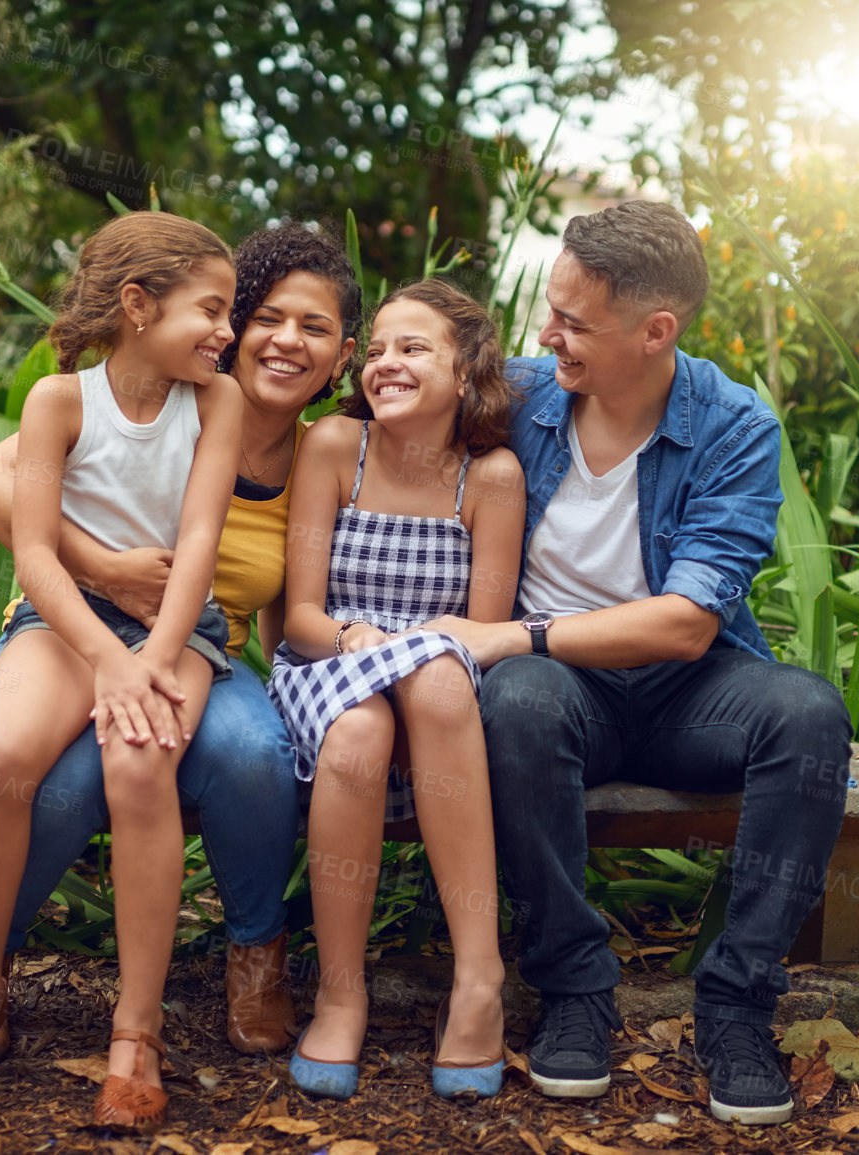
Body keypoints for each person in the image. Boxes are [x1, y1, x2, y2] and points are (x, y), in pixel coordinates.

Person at [422, 201, 852, 1125]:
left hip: (684, 694)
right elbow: (373, 407)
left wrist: (517, 633)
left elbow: (689, 622)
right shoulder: (524, 396)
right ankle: (575, 989)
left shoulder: (734, 425)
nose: (548, 334)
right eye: (551, 310)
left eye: (574, 322)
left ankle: (734, 1004)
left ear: (657, 332)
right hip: (557, 698)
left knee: (807, 711)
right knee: (521, 699)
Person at [0, 211, 245, 1132]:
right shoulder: (58, 402)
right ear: (136, 304)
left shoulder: (218, 402)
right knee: (2, 754)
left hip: (173, 624)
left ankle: (136, 1031)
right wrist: (104, 657)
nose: (228, 331)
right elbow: (35, 552)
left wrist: (150, 659)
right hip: (63, 617)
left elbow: (200, 538)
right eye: (212, 309)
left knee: (137, 759)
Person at [0, 223, 362, 1056]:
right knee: (63, 779)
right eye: (265, 319)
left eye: (314, 329)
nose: (286, 343)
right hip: (64, 631)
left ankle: (254, 956)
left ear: (342, 354)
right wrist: (105, 568)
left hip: (196, 645)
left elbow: (285, 594)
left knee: (253, 754)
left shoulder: (323, 453)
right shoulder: (128, 393)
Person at [272, 281, 526, 1101]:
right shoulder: (332, 446)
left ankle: (477, 980)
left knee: (444, 682)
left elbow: (480, 632)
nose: (385, 362)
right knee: (355, 735)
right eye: (376, 348)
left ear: (466, 371)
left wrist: (415, 651)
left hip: (438, 684)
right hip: (330, 668)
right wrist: (356, 639)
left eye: (412, 348)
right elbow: (301, 619)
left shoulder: (489, 476)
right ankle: (340, 990)